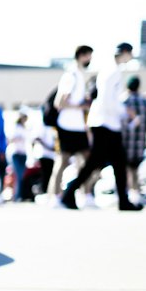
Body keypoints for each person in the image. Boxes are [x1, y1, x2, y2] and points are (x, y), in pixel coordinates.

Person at [61, 43, 142, 211]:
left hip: (106, 123)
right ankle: (69, 193)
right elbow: (107, 100)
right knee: (99, 163)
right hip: (106, 124)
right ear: (125, 53)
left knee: (112, 163)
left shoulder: (110, 70)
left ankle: (122, 200)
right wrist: (125, 112)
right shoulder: (113, 72)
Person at [48, 45, 94, 200]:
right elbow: (59, 102)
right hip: (67, 126)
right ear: (82, 55)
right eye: (89, 56)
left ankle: (85, 193)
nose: (90, 59)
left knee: (86, 162)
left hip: (78, 126)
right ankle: (55, 196)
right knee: (62, 161)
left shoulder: (79, 75)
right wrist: (80, 106)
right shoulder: (71, 75)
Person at [122, 74, 146, 202]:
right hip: (140, 142)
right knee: (135, 170)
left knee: (124, 169)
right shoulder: (145, 103)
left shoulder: (123, 101)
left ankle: (125, 193)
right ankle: (135, 193)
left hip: (124, 142)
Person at [6, 110, 29, 201]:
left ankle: (19, 195)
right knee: (18, 175)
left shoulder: (25, 128)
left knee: (21, 175)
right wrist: (17, 138)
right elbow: (10, 139)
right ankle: (16, 196)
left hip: (23, 153)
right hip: (16, 153)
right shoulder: (15, 127)